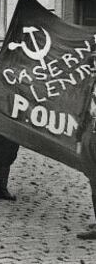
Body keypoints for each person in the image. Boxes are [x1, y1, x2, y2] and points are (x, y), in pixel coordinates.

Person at [76, 54, 96, 240]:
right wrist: (79, 138)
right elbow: (84, 113)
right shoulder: (91, 87)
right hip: (91, 134)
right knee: (94, 179)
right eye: (93, 67)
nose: (94, 70)